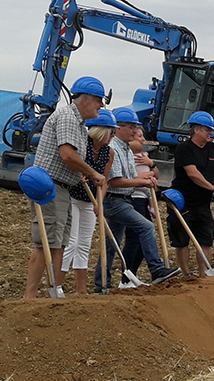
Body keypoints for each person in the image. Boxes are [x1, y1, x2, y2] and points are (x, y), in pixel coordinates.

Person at [24, 76, 107, 299]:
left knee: (58, 242)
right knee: (47, 242)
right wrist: (91, 173)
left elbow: (70, 159)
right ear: (87, 99)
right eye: (100, 100)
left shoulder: (79, 123)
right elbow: (67, 155)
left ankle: (55, 292)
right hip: (49, 187)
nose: (102, 105)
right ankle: (30, 297)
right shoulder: (69, 117)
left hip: (61, 187)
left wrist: (78, 173)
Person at [94, 107, 180, 293]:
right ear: (118, 128)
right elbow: (115, 181)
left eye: (135, 127)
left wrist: (147, 179)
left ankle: (101, 285)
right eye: (131, 127)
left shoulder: (125, 148)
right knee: (146, 226)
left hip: (125, 199)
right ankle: (156, 269)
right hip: (114, 200)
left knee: (112, 244)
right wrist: (142, 180)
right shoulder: (113, 148)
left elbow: (132, 178)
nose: (135, 131)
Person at [59, 109, 117, 294]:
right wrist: (79, 176)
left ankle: (81, 289)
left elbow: (104, 180)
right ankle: (57, 286)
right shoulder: (82, 145)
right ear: (100, 130)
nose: (113, 136)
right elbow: (71, 164)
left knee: (84, 244)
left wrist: (100, 202)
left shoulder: (108, 152)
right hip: (72, 198)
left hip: (90, 202)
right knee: (71, 242)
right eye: (111, 132)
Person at [167, 111, 214, 276]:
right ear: (197, 130)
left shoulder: (212, 147)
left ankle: (203, 272)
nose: (211, 133)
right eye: (208, 130)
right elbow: (193, 174)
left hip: (203, 202)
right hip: (183, 200)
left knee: (206, 238)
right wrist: (212, 187)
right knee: (182, 239)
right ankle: (186, 273)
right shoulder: (184, 149)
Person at [119, 127, 160, 287]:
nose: (143, 140)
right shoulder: (129, 155)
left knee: (143, 240)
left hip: (144, 198)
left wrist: (151, 164)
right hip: (133, 198)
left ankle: (131, 275)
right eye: (140, 137)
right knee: (135, 239)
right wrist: (148, 175)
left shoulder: (144, 156)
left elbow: (155, 174)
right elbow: (131, 177)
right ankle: (126, 277)